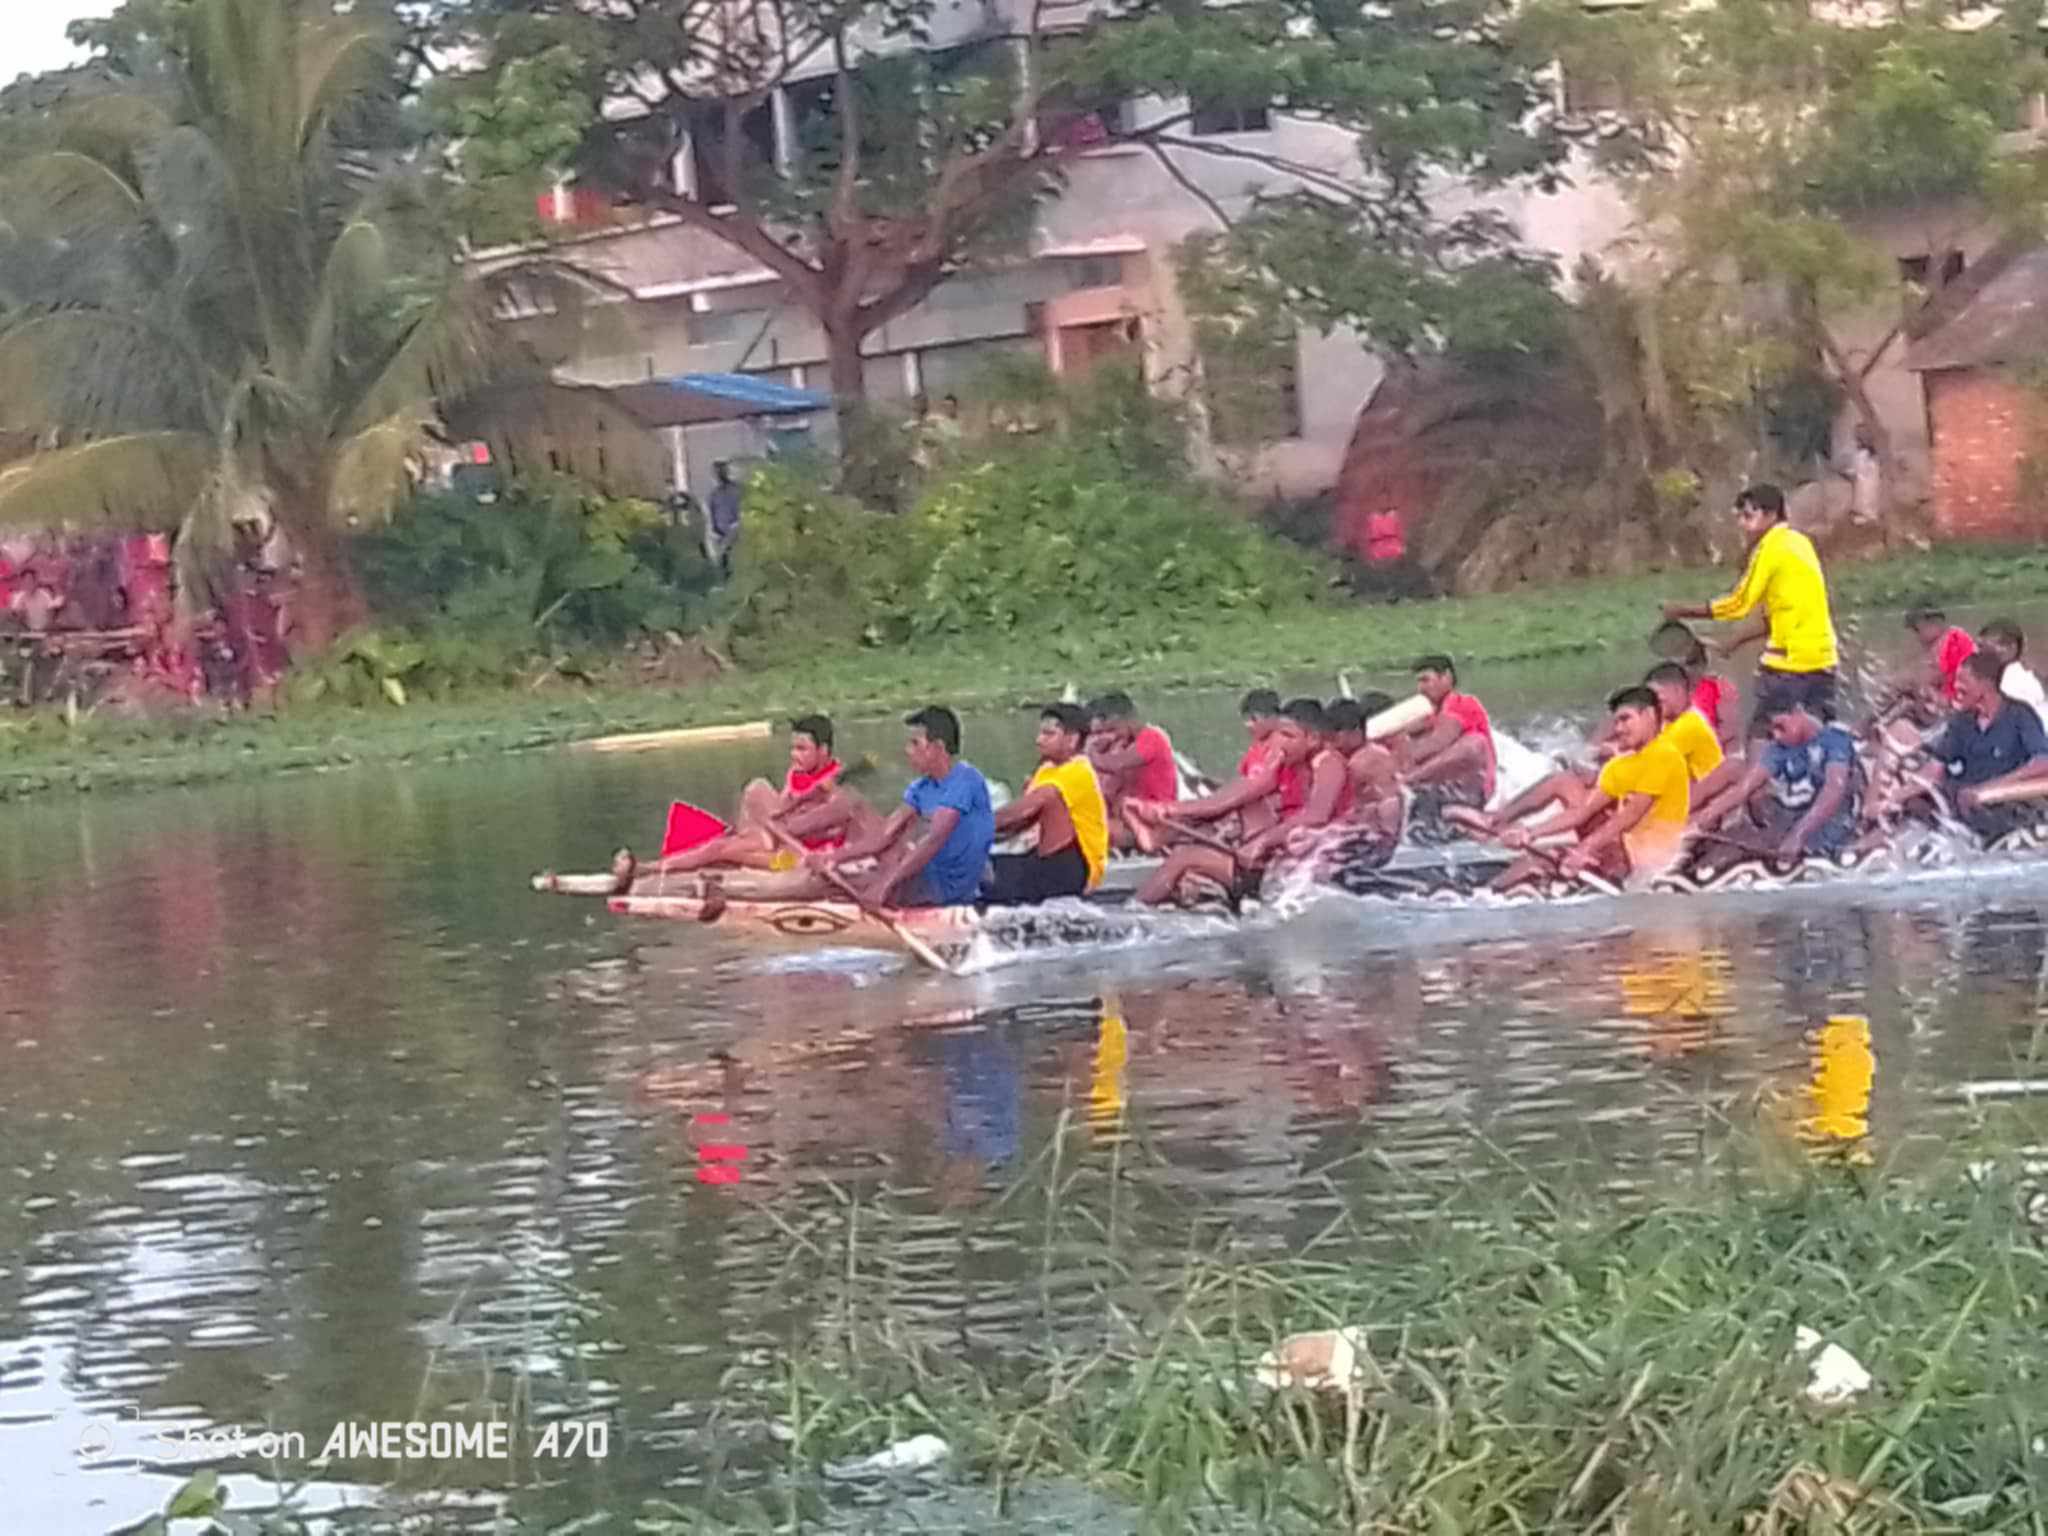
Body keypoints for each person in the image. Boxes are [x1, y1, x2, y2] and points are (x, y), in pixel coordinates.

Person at [1135, 697, 1352, 908]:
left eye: (1288, 736)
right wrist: (1171, 809)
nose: (1279, 743)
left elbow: (1317, 814)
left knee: (1183, 857)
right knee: (1239, 812)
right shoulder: (1281, 761)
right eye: (1278, 734)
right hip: (1279, 858)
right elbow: (1238, 793)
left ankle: (1133, 909)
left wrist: (1262, 842)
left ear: (1313, 739)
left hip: (1313, 863)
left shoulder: (1328, 762)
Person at [1662, 483, 1839, 741]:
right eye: (1741, 518)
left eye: (1749, 516)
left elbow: (1738, 603)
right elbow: (1775, 615)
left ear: (1770, 515)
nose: (1744, 525)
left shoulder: (1772, 547)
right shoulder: (1800, 543)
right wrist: (1730, 643)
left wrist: (1683, 610)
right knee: (1819, 737)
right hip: (1824, 662)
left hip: (1788, 666)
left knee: (1763, 737)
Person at [1493, 686, 1691, 890]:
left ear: (1649, 714)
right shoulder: (1619, 765)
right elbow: (1582, 811)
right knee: (1541, 857)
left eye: (1625, 719)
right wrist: (1530, 833)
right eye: (1616, 722)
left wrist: (1584, 849)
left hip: (1649, 861)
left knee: (1548, 858)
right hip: (1621, 851)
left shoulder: (1665, 756)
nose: (1618, 729)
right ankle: (1488, 892)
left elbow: (1630, 815)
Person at [645, 714, 878, 876]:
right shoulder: (799, 773)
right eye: (793, 748)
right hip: (777, 838)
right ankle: (747, 842)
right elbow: (783, 808)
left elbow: (807, 827)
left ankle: (654, 869)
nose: (794, 755)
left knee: (721, 850)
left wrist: (808, 801)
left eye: (802, 749)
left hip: (796, 860)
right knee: (756, 789)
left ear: (823, 751)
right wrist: (794, 801)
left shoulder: (837, 791)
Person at [808, 705, 995, 907]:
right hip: (927, 876)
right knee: (839, 872)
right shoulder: (920, 787)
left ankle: (777, 893)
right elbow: (884, 835)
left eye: (915, 744)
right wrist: (831, 858)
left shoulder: (966, 780)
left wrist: (884, 885)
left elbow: (933, 841)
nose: (908, 751)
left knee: (829, 884)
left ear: (937, 748)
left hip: (951, 889)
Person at [1868, 651, 2048, 846]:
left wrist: (1989, 789)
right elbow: (1933, 770)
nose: (1956, 687)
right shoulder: (1961, 722)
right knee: (1914, 802)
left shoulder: (2020, 715)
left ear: (1985, 685)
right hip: (1964, 799)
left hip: (2006, 801)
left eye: (1963, 681)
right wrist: (1890, 799)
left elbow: (2042, 763)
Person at [1689, 699, 1862, 865]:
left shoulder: (1835, 740)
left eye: (1781, 727)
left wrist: (1798, 835)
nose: (1777, 736)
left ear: (1798, 712)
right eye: (1773, 731)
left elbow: (1833, 790)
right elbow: (1743, 789)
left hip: (1829, 824)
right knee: (1726, 844)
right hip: (1788, 820)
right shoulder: (1778, 749)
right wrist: (1701, 819)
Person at [1124, 688, 1284, 850]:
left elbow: (1255, 788)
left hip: (1262, 815)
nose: (1248, 725)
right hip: (1243, 805)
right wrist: (1208, 782)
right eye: (1246, 719)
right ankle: (1156, 837)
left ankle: (1155, 838)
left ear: (1273, 717)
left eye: (1254, 719)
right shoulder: (1255, 749)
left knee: (1194, 815)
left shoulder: (1280, 747)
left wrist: (1186, 808)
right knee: (1193, 815)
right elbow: (1239, 785)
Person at [986, 704, 1109, 904]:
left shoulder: (1079, 770)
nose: (1038, 740)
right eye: (1040, 733)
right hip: (1040, 859)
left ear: (1072, 739)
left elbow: (1021, 810)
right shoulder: (1046, 770)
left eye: (1048, 734)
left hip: (1073, 867)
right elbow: (1019, 824)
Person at [1400, 654, 1496, 840]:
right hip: (1444, 786)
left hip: (1471, 789)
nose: (1421, 688)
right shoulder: (1431, 714)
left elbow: (1437, 744)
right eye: (1418, 682)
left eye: (1426, 680)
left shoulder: (1461, 703)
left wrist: (1401, 762)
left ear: (1447, 677)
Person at [1087, 691, 1179, 850]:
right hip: (1130, 816)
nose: (1113, 735)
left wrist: (1089, 754)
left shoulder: (1151, 738)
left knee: (1093, 829)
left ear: (1125, 721)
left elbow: (1116, 764)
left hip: (1154, 819)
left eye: (1113, 729)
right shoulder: (1124, 745)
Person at [1880, 606, 1976, 726]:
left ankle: (1872, 723)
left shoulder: (1950, 639)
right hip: (1953, 698)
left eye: (1917, 630)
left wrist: (1900, 683)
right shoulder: (1948, 639)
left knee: (1901, 687)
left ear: (1932, 623)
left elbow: (1926, 677)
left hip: (1957, 702)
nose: (1917, 637)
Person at [1979, 618, 2048, 729]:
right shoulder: (2010, 675)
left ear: (2011, 647)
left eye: (1983, 646)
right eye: (1979, 646)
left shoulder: (2014, 680)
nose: (1979, 653)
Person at [706, 462, 742, 580]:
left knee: (734, 566)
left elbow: (740, 513)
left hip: (735, 534)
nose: (717, 475)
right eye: (716, 472)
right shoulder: (714, 494)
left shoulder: (736, 490)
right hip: (721, 536)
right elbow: (711, 515)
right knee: (724, 567)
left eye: (720, 471)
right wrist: (714, 532)